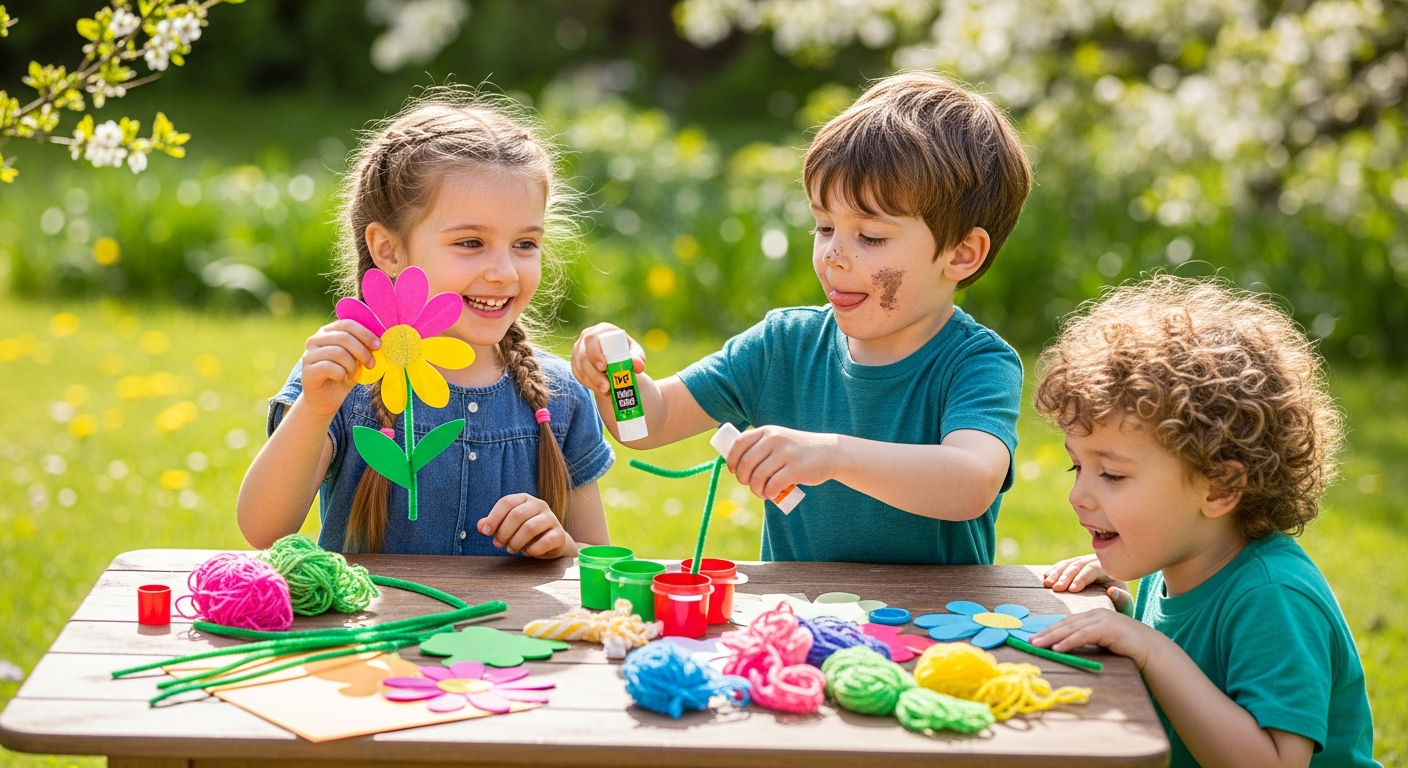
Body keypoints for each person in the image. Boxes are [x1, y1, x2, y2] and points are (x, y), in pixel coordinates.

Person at [572, 71, 1032, 563]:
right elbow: (650, 422)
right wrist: (615, 375)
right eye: (824, 226)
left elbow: (971, 483)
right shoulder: (783, 346)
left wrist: (830, 455)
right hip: (800, 609)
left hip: (935, 613)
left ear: (961, 253)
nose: (833, 255)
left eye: (871, 236)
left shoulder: (977, 364)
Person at [238, 88, 613, 558]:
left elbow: (600, 564)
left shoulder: (561, 397)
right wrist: (314, 410)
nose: (504, 272)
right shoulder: (347, 379)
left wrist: (562, 547)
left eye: (525, 244)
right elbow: (263, 530)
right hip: (369, 611)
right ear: (389, 250)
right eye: (471, 243)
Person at [1032, 275, 1377, 767]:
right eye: (1076, 467)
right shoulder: (1175, 562)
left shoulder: (1273, 598)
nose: (1077, 495)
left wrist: (1149, 648)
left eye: (1111, 474)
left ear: (1219, 488)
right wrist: (1123, 614)